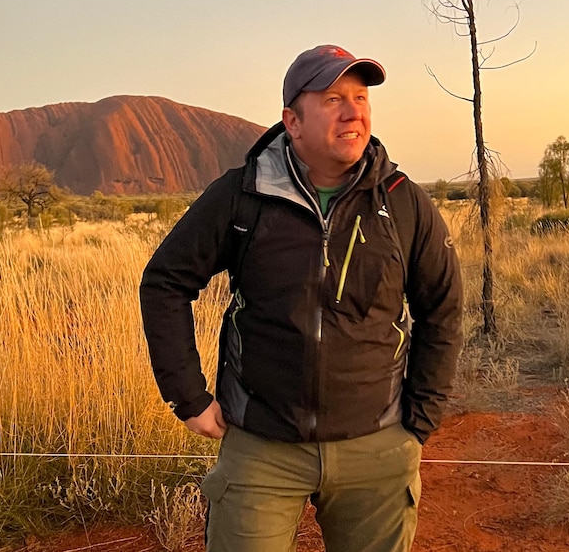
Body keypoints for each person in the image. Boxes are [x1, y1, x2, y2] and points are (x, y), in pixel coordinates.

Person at [140, 44, 463, 552]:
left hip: (376, 445)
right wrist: (188, 395)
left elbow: (441, 309)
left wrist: (420, 419)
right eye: (334, 98)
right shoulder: (243, 195)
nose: (355, 111)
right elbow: (165, 282)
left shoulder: (401, 200)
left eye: (361, 97)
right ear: (292, 120)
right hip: (262, 446)